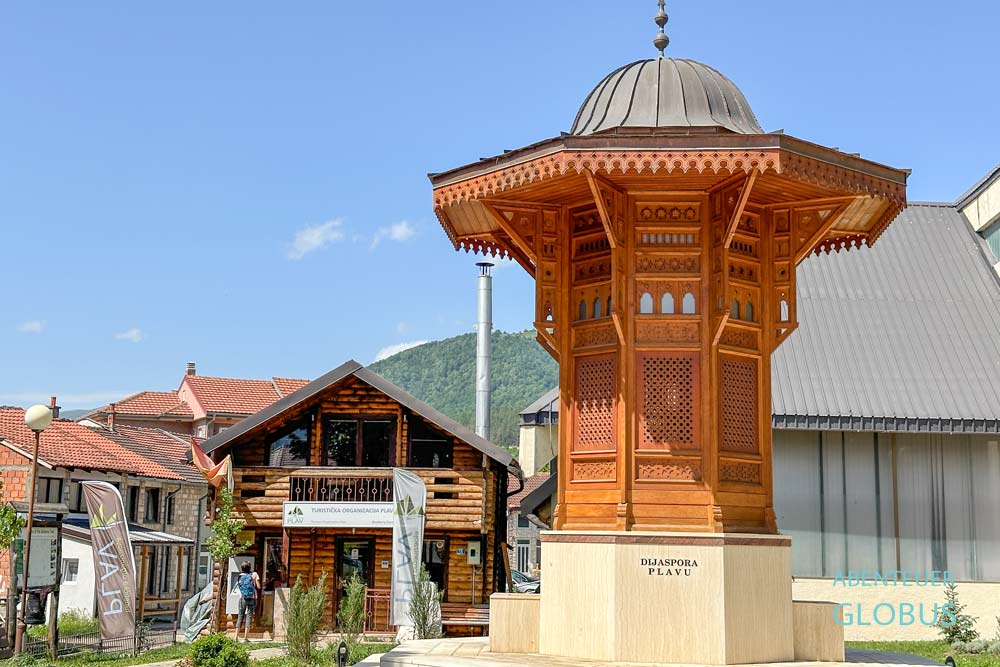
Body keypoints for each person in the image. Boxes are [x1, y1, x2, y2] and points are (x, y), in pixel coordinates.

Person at [234, 561, 260, 642]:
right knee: (249, 616)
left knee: (240, 616)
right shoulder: (254, 574)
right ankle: (245, 638)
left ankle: (235, 637)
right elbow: (259, 587)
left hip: (242, 598)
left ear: (242, 568)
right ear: (250, 567)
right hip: (252, 598)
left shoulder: (240, 576)